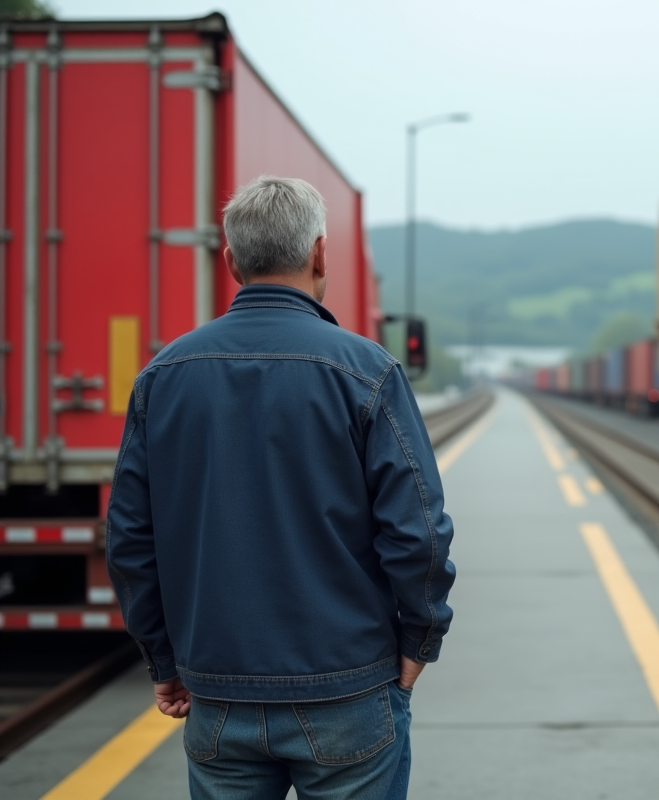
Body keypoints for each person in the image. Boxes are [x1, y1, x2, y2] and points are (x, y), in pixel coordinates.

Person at [107, 175, 455, 800]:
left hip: (217, 693)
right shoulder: (366, 371)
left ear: (232, 259)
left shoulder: (163, 375)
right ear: (320, 253)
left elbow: (130, 538)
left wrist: (163, 658)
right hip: (348, 688)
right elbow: (419, 532)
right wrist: (420, 638)